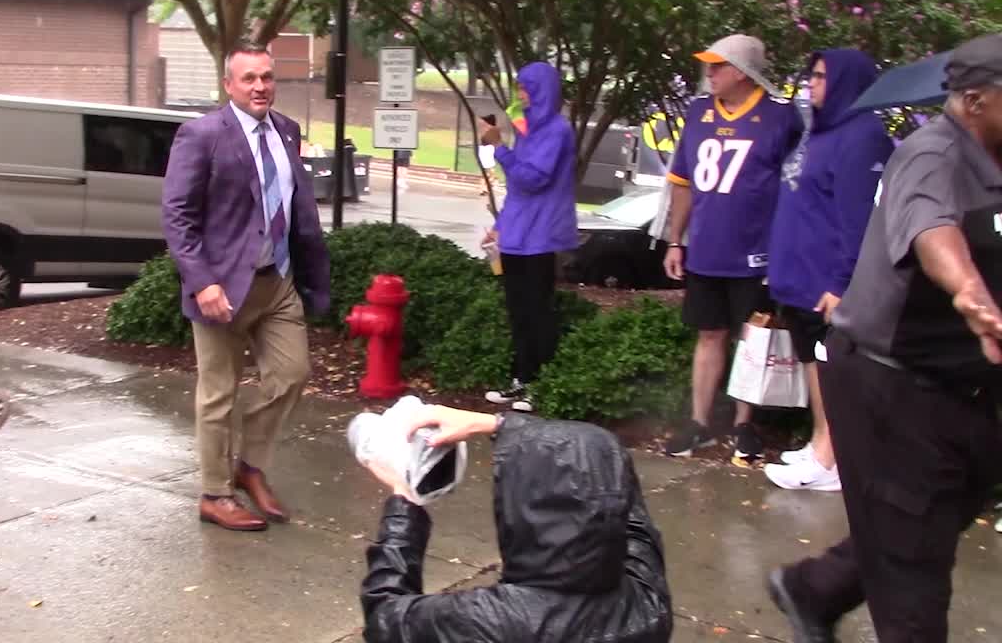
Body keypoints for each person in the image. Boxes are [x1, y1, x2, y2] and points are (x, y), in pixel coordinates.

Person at [767, 33, 1002, 643]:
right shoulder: (931, 155)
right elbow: (932, 230)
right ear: (975, 101)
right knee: (915, 569)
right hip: (888, 383)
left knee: (932, 517)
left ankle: (814, 589)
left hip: (964, 388)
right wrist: (971, 294)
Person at [162, 41, 331, 532]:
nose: (260, 86)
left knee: (292, 374)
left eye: (267, 77)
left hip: (276, 281)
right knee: (218, 394)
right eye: (249, 78)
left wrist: (310, 271)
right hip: (222, 288)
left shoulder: (287, 131)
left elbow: (295, 207)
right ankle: (215, 494)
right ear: (229, 85)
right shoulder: (202, 135)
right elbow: (178, 216)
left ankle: (249, 465)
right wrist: (201, 282)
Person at [358, 405, 672, 643]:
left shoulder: (492, 620)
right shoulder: (647, 599)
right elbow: (627, 503)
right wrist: (502, 425)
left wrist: (404, 504)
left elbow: (385, 617)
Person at [662, 34, 805, 460]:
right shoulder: (699, 111)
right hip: (706, 248)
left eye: (718, 66)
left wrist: (786, 248)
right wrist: (675, 240)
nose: (710, 73)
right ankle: (700, 422)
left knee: (752, 338)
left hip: (756, 251)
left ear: (742, 71)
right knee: (709, 334)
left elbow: (796, 187)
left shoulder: (780, 116)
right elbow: (683, 182)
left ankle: (745, 424)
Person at [763, 49, 892, 492]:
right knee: (811, 363)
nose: (811, 84)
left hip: (826, 280)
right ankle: (821, 442)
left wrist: (842, 282)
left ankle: (829, 459)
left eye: (820, 77)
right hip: (797, 277)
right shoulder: (816, 131)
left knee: (827, 366)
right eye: (811, 75)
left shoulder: (863, 137)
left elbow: (858, 221)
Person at [477, 62, 579, 413]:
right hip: (518, 234)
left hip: (542, 235)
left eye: (526, 88)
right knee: (518, 310)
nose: (520, 95)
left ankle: (540, 384)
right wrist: (501, 226)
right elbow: (518, 192)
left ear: (542, 90)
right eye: (519, 88)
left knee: (537, 310)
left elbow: (533, 179)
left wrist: (498, 147)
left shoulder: (557, 131)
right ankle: (521, 379)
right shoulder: (526, 130)